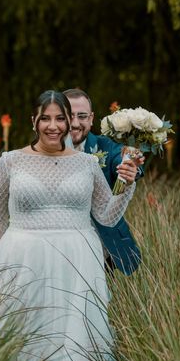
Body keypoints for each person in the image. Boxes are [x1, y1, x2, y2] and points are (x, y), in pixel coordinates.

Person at [0, 90, 137, 361]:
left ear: (70, 122)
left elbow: (106, 215)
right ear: (34, 121)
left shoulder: (87, 164)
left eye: (60, 118)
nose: (52, 126)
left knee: (75, 342)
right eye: (45, 118)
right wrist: (1, 273)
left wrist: (126, 186)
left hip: (78, 262)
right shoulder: (9, 162)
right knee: (27, 338)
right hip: (23, 263)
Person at [63, 88, 143, 275]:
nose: (75, 123)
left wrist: (130, 166)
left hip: (105, 252)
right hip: (60, 251)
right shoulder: (46, 152)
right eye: (68, 115)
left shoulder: (104, 145)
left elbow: (122, 156)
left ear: (91, 119)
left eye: (82, 116)